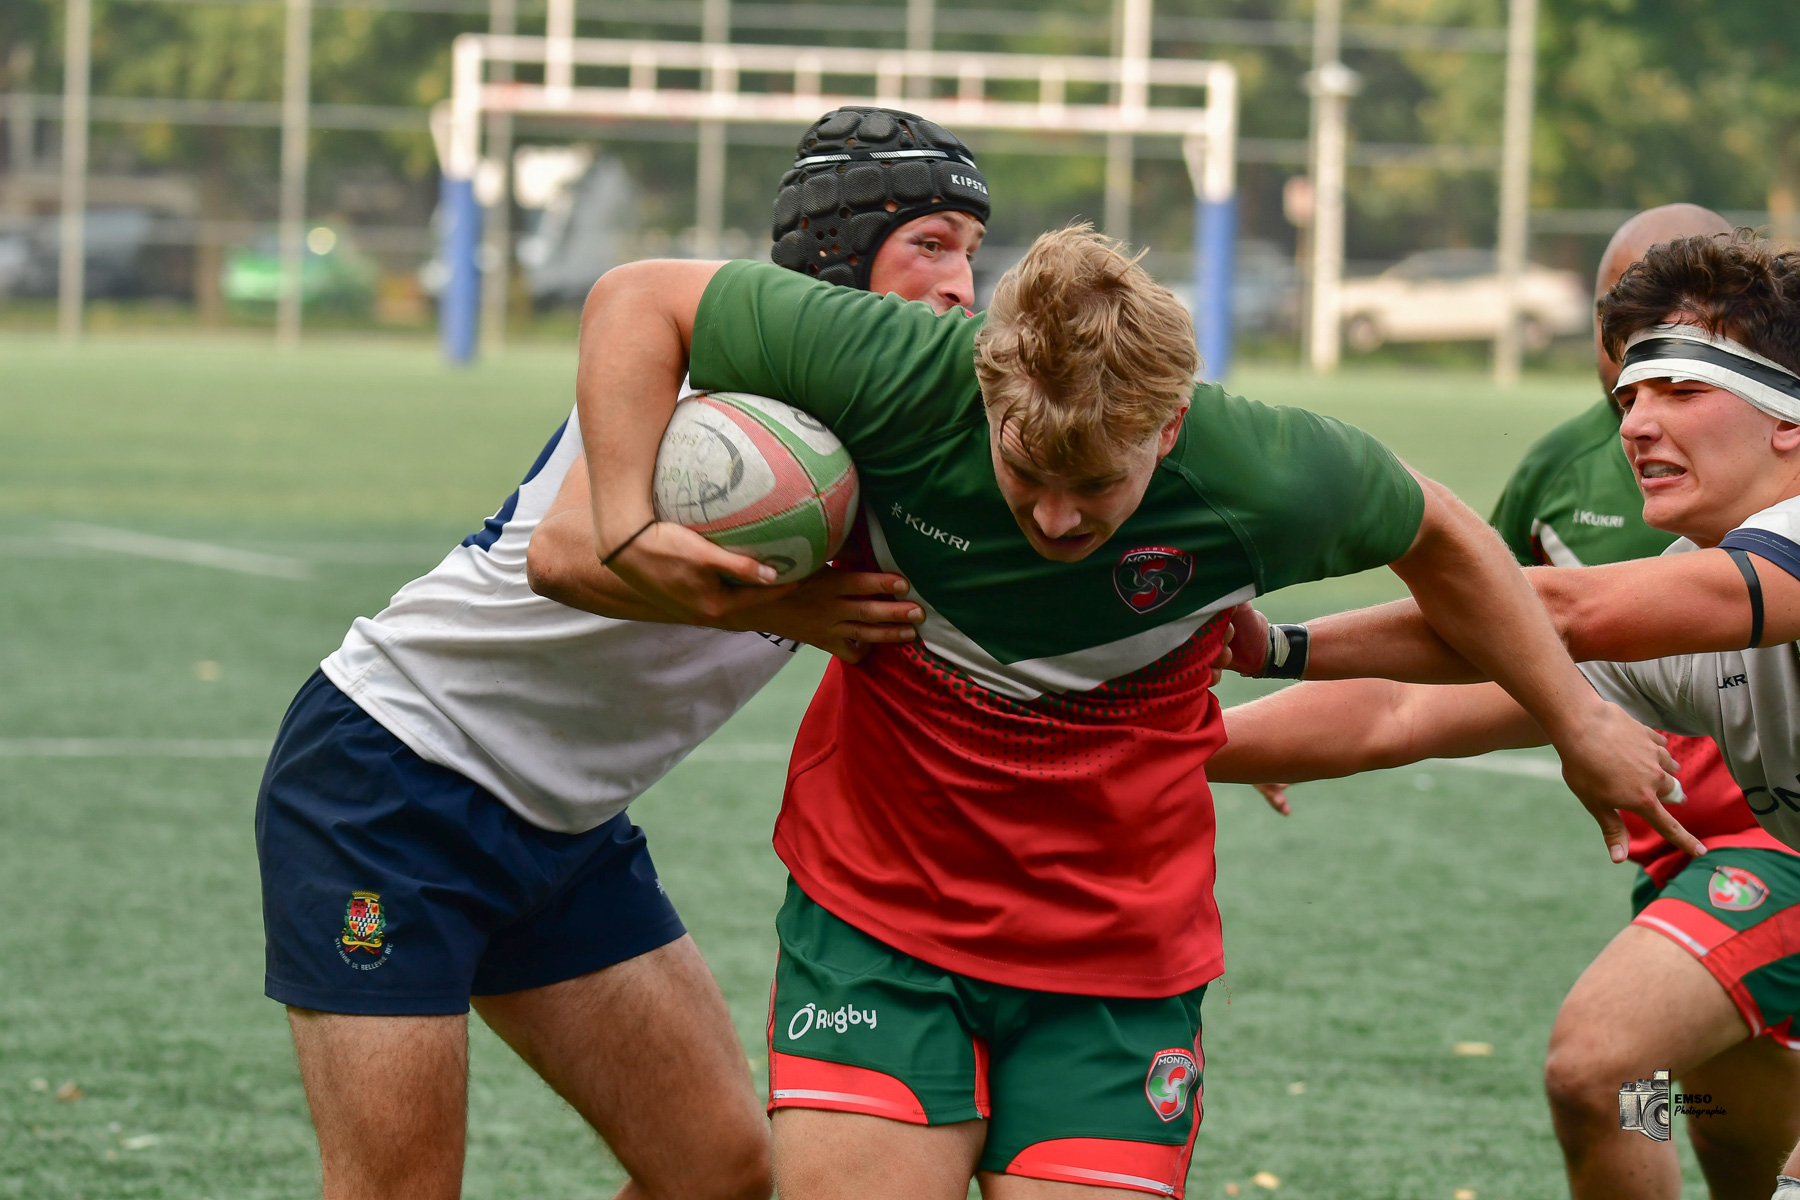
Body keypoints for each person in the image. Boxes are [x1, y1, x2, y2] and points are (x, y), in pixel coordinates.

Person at [573, 221, 1682, 1198]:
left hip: (1114, 960)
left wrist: (1577, 721)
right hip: (877, 925)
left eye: (1097, 484)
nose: (1057, 518)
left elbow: (1439, 534)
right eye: (1026, 471)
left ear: (1169, 427)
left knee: (1683, 1104)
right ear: (988, 395)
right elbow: (638, 297)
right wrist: (624, 521)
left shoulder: (1264, 472)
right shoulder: (899, 369)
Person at [253, 106, 986, 1200]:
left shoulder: (903, 439)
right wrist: (789, 610)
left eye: (972, 254)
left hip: (566, 831)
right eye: (930, 245)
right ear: (837, 249)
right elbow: (566, 556)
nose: (961, 286)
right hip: (390, 780)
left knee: (718, 1174)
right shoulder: (711, 386)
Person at [1213, 230, 1800, 1200]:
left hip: (1756, 869)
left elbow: (1551, 612)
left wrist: (1299, 616)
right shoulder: (1644, 548)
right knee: (1643, 1085)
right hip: (1683, 872)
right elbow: (1410, 705)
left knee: (1617, 1068)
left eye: (1680, 391)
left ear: (1788, 419)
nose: (1636, 424)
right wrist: (1159, 730)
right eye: (1629, 395)